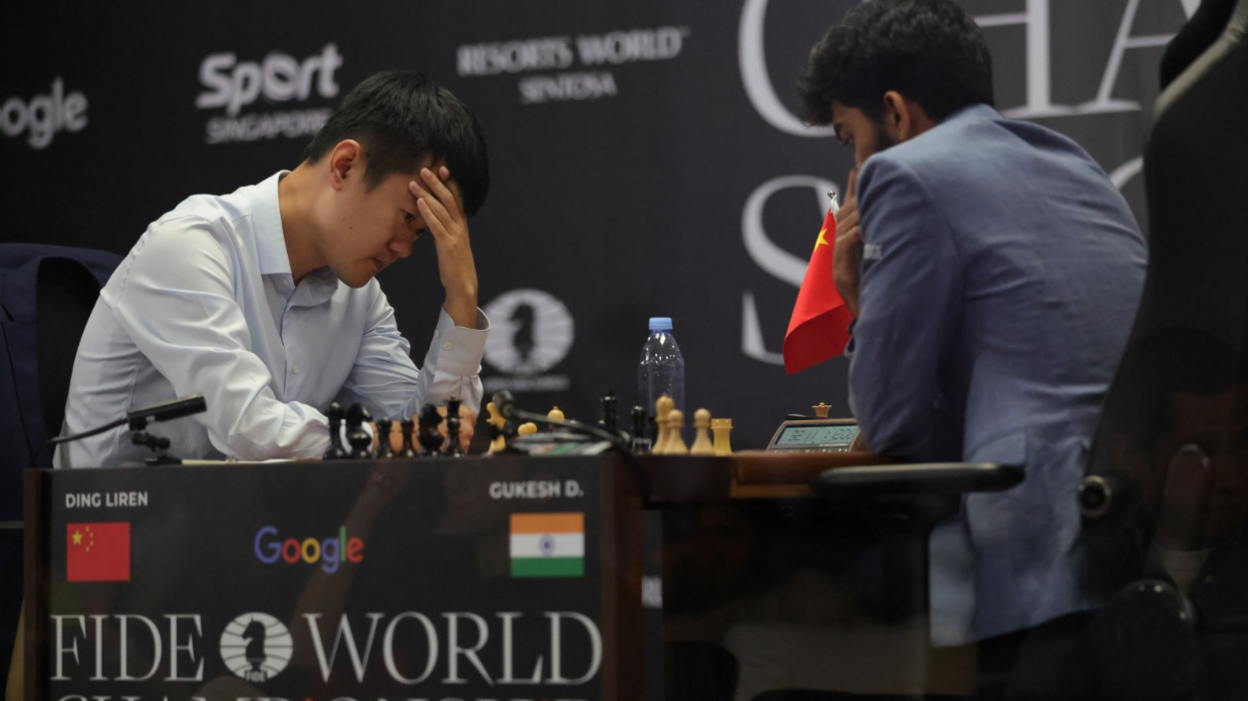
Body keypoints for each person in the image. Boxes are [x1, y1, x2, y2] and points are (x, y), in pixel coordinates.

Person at [797, 0, 1147, 644]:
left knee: (799, 580)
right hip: (1136, 529)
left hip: (1030, 538)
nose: (853, 169)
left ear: (897, 112)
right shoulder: (1076, 165)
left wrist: (855, 293)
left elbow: (891, 424)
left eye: (850, 137)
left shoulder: (903, 174)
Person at [56, 70, 491, 467]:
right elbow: (249, 429)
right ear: (344, 166)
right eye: (408, 219)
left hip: (237, 535)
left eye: (420, 236)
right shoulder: (190, 244)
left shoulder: (359, 297)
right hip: (108, 535)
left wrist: (462, 298)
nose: (404, 248)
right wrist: (391, 439)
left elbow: (428, 439)